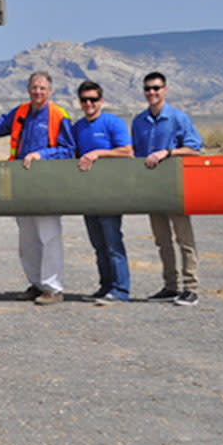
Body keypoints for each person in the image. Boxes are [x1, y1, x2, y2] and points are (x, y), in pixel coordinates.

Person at [0, 72, 76, 306]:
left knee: (49, 235)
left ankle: (53, 288)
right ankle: (37, 283)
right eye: (34, 87)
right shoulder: (21, 112)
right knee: (27, 237)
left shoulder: (59, 115)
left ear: (50, 91)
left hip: (46, 183)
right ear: (28, 89)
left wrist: (42, 154)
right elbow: (1, 123)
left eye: (42, 88)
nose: (37, 91)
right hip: (21, 182)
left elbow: (69, 150)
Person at [131, 71, 205, 307]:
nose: (152, 92)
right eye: (148, 89)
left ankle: (191, 288)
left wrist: (168, 152)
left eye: (156, 88)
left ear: (165, 89)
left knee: (184, 238)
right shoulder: (139, 122)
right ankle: (170, 286)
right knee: (162, 240)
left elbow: (195, 148)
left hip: (175, 187)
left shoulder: (178, 118)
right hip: (152, 188)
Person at [71, 80, 134, 305]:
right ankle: (106, 286)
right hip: (88, 194)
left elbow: (127, 152)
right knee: (98, 244)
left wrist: (98, 153)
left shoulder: (113, 123)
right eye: (85, 100)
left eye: (93, 99)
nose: (89, 104)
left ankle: (120, 290)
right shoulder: (78, 127)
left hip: (110, 192)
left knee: (112, 242)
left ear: (101, 101)